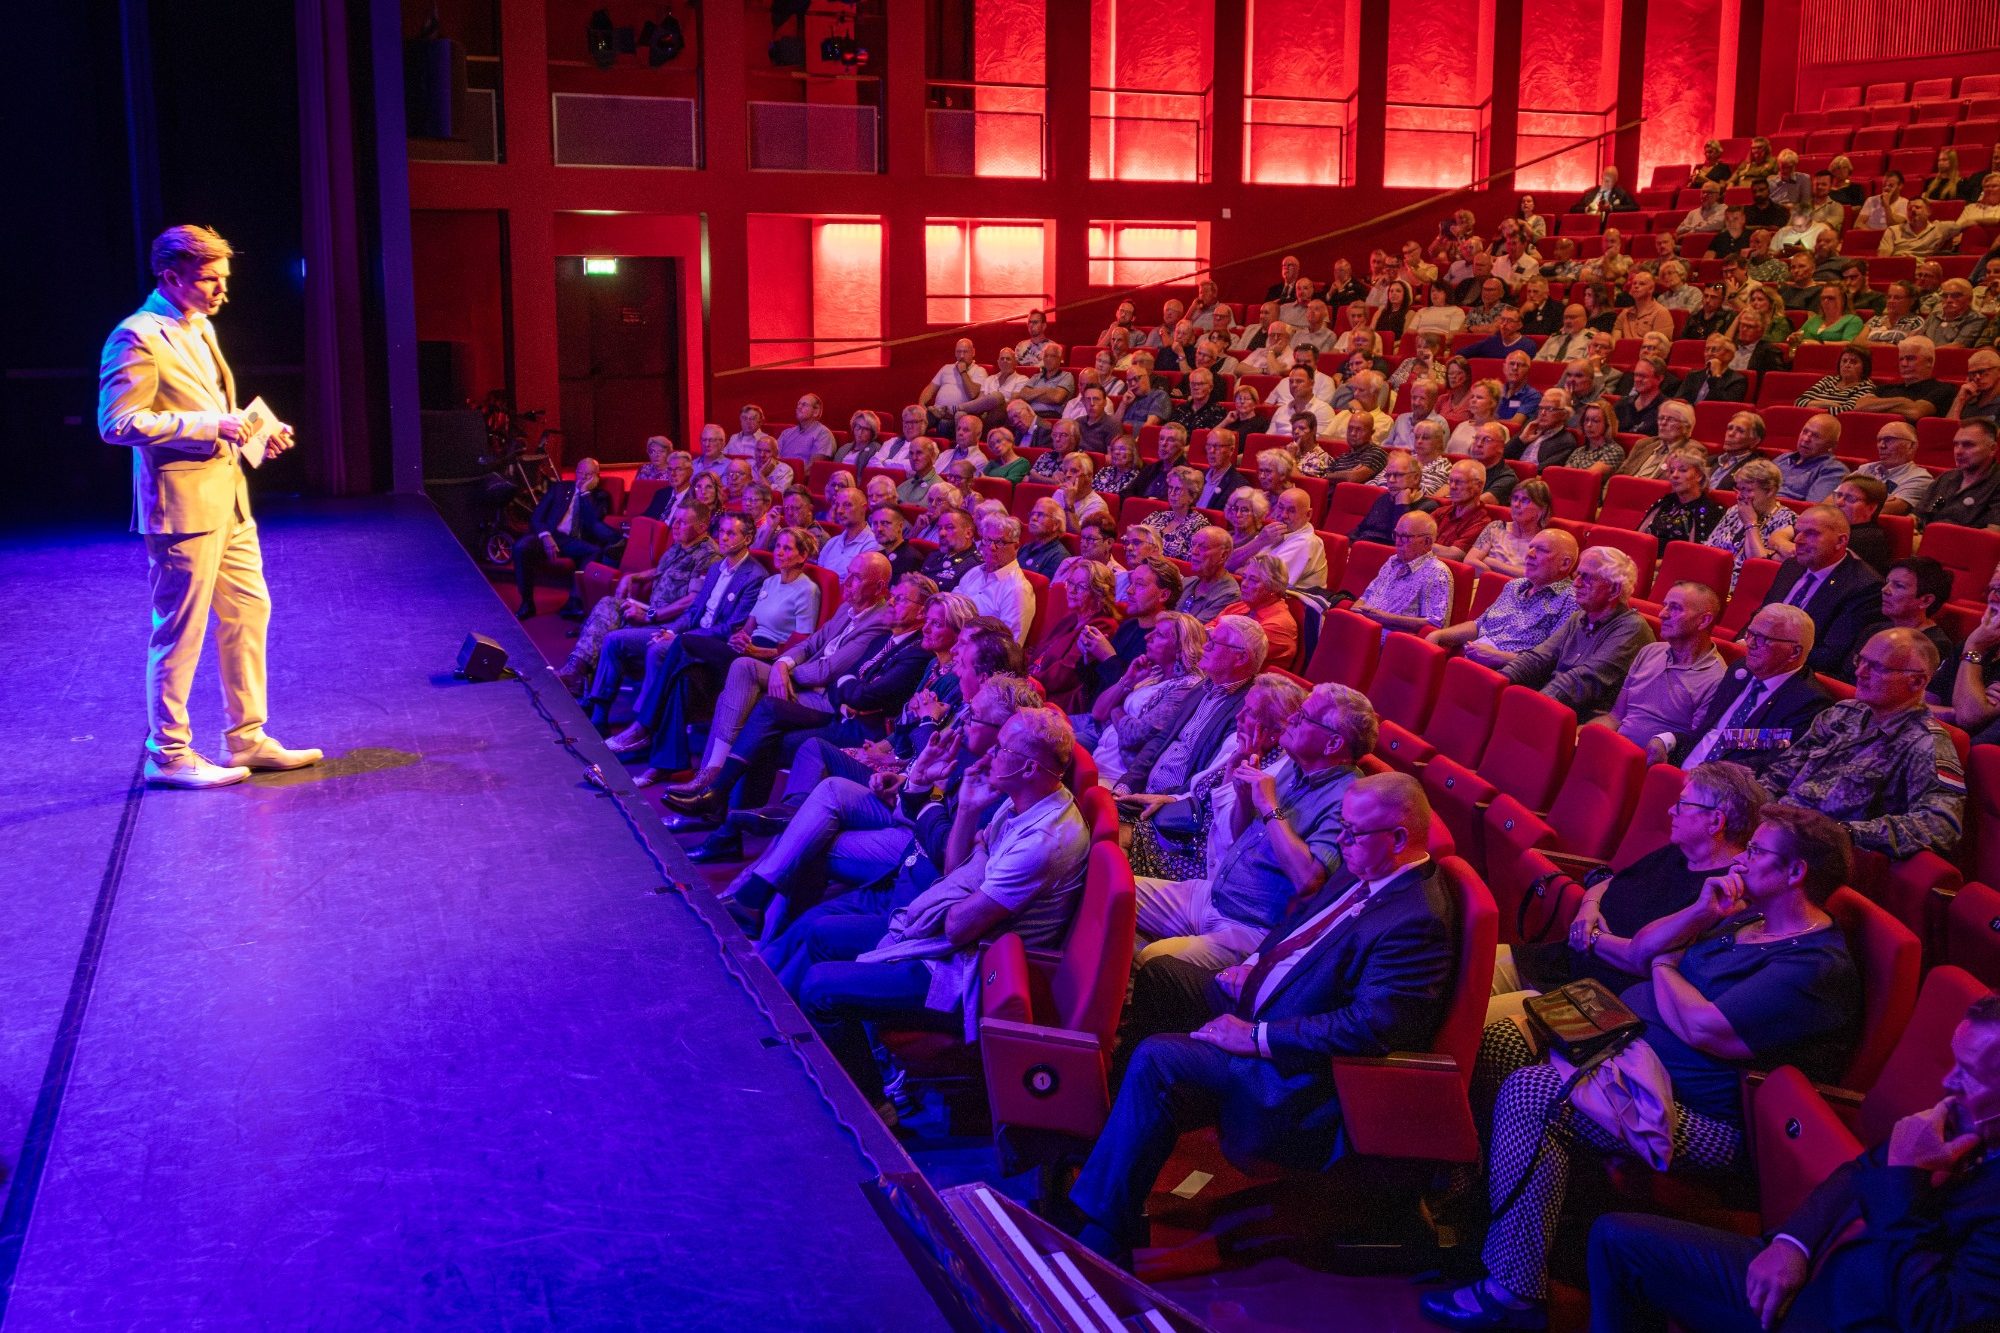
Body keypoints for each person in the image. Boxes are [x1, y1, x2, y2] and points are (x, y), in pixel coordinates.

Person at [1423, 806, 1860, 1329]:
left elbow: (1704, 1026)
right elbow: (1648, 948)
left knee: (1532, 1093)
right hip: (1625, 1051)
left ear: (1796, 873)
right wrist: (1698, 914)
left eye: (1758, 852)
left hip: (1698, 1115)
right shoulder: (1747, 917)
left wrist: (1664, 967)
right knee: (1500, 1042)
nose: (1741, 859)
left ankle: (1513, 1290)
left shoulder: (1815, 966)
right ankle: (1482, 1214)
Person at [1067, 772, 1458, 1266]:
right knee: (1164, 975)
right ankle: (1116, 1144)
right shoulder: (1367, 864)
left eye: (1353, 832)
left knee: (1159, 1059)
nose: (1341, 841)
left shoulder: (1415, 921)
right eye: (1342, 826)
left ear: (1400, 838)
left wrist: (1255, 1036)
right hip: (1262, 1001)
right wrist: (1252, 965)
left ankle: (1103, 1228)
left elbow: (1369, 1028)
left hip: (1292, 1068)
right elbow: (1295, 927)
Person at [1590, 984, 2000, 1332]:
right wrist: (1794, 1243)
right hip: (1812, 1271)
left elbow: (1938, 1317)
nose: (1949, 1082)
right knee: (1613, 1239)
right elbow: (1861, 1168)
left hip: (1845, 1315)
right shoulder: (1970, 1115)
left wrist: (1903, 1180)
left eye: (1971, 1073)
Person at [96, 223, 322, 787]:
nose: (223, 290)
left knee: (248, 613)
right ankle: (168, 754)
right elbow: (117, 422)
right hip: (182, 509)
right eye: (210, 280)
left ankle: (246, 737)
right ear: (170, 278)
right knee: (181, 631)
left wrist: (252, 432)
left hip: (230, 500)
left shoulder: (201, 327)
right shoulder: (137, 335)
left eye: (224, 278)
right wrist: (209, 424)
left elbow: (212, 410)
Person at [797, 708, 1089, 1103]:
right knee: (822, 934)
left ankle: (875, 1109)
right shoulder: (1020, 800)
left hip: (967, 972)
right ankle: (879, 1063)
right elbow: (955, 870)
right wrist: (968, 809)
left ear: (1028, 769)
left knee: (818, 987)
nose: (990, 756)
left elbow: (956, 926)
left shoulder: (1044, 842)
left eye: (1002, 749)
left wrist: (977, 867)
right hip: (958, 943)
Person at [1129, 682, 1374, 971]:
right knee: (1111, 890)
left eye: (1304, 717)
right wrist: (1244, 800)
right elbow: (1236, 836)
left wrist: (1270, 806)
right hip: (1212, 895)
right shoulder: (1293, 767)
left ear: (1333, 744)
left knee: (1155, 959)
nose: (1292, 719)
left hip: (1251, 926)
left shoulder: (1348, 797)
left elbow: (1308, 880)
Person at [660, 554, 898, 832]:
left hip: (821, 699)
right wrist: (783, 663)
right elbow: (811, 643)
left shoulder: (879, 621)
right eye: (847, 573)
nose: (847, 582)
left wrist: (783, 671)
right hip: (799, 680)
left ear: (880, 587)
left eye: (857, 577)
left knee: (744, 699)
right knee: (740, 673)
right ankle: (711, 785)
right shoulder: (847, 607)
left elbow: (827, 671)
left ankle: (712, 789)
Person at [1762, 627, 1965, 858]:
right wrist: (1757, 807)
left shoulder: (1925, 743)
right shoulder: (1842, 713)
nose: (1860, 672)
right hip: (1773, 833)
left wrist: (1844, 832)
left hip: (1820, 855)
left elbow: (1941, 826)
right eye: (1861, 660)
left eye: (1877, 667)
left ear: (1916, 681)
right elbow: (1782, 771)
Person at [564, 504, 720, 700]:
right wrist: (633, 577)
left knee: (608, 627)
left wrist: (649, 616)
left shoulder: (709, 556)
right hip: (653, 611)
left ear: (702, 526)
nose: (676, 526)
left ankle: (584, 684)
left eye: (682, 522)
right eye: (675, 520)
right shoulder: (680, 545)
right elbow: (661, 571)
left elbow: (692, 601)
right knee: (608, 604)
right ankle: (576, 670)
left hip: (670, 624)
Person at [1502, 545, 1653, 716]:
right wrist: (1499, 682)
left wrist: (1531, 707)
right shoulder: (1579, 617)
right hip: (1551, 706)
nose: (1576, 583)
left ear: (1614, 589)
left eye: (1587, 577)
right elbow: (1538, 658)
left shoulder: (1632, 629)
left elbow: (1582, 681)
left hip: (1581, 722)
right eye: (1578, 574)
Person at [1595, 583, 1728, 757]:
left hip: (1651, 764)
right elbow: (1615, 717)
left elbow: (1694, 744)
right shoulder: (1650, 652)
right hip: (1613, 749)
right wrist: (1581, 735)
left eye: (1675, 608)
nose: (1662, 614)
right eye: (1665, 605)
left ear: (1703, 620)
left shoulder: (1716, 679)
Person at [1429, 529, 1579, 670]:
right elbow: (1478, 625)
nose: (1530, 554)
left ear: (1565, 563)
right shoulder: (1514, 586)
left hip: (1507, 676)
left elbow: (1551, 661)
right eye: (1531, 547)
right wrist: (1439, 635)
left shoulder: (1570, 601)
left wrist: (1499, 657)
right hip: (1471, 662)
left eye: (1541, 550)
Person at [1704, 458, 1796, 589]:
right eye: (1739, 489)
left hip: (1747, 588)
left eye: (1747, 490)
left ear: (1770, 491)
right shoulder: (1734, 511)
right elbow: (1710, 548)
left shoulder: (1787, 519)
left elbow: (1759, 567)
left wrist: (1750, 523)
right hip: (1713, 580)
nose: (1740, 496)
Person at [1211, 554, 1301, 668]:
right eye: (1244, 577)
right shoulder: (1240, 606)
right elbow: (1204, 632)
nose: (1244, 584)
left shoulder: (1278, 625)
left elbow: (1228, 655)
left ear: (1274, 587)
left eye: (1253, 580)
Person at [1636, 445, 1726, 554]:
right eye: (1671, 470)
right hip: (1645, 559)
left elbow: (1692, 555)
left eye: (1683, 470)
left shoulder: (1709, 510)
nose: (1674, 475)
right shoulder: (1666, 501)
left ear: (1699, 476)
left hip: (1675, 566)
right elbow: (1638, 537)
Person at [1916, 419, 2000, 531]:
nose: (1958, 451)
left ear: (1992, 449)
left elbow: (1992, 535)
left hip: (1965, 545)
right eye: (1956, 444)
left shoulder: (1996, 482)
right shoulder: (1946, 478)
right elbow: (1917, 516)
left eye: (1968, 445)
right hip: (1928, 538)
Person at [1349, 450, 1437, 546]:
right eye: (1388, 475)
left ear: (1415, 478)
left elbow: (1403, 542)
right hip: (1361, 549)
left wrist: (1402, 505)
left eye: (1398, 475)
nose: (1391, 480)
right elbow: (1360, 530)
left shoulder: (1428, 507)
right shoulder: (1384, 498)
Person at [1794, 342, 1876, 415]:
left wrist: (1813, 405)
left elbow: (1847, 411)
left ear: (1864, 367)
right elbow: (1799, 402)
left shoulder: (1865, 386)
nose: (1847, 365)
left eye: (1853, 362)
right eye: (1844, 361)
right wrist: (1829, 404)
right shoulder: (1828, 380)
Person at [1571, 166, 1636, 215]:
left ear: (1615, 181)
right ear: (1601, 177)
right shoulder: (1590, 192)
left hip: (1609, 226)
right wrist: (1587, 209)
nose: (1605, 183)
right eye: (1604, 179)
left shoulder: (1621, 193)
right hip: (1589, 223)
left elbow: (1634, 207)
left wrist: (1611, 208)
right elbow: (1574, 209)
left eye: (1609, 181)